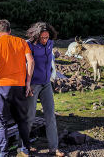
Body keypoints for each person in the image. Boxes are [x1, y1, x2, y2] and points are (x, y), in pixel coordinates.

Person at [0, 19, 34, 157]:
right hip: (19, 85)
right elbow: (31, 61)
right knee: (22, 119)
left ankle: (4, 152)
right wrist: (28, 82)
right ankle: (25, 149)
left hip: (2, 87)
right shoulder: (21, 42)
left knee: (1, 121)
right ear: (9, 30)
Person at [24, 22, 65, 157]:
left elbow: (51, 62)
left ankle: (53, 148)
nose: (44, 40)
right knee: (30, 116)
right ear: (36, 36)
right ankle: (24, 147)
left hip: (46, 84)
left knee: (50, 115)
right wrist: (27, 83)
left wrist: (52, 78)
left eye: (46, 37)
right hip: (33, 84)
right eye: (42, 37)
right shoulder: (29, 45)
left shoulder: (50, 43)